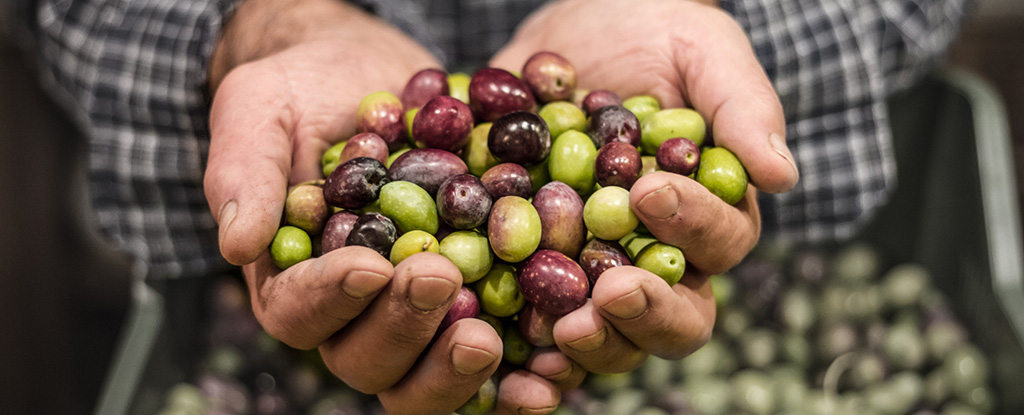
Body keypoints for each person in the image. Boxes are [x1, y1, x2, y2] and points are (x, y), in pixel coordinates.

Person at [22, 0, 972, 413]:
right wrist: (251, 27)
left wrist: (738, 31)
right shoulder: (439, 175)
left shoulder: (581, 165)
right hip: (189, 199)